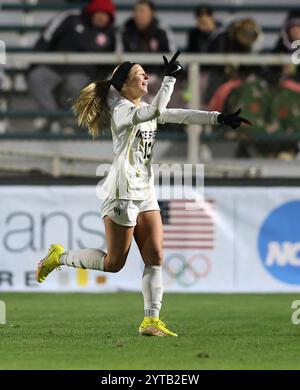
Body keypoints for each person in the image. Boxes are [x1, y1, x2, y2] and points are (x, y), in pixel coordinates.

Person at [35, 51, 251, 337]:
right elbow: (156, 111)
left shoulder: (146, 106)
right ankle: (58, 257)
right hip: (122, 191)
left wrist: (218, 118)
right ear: (124, 85)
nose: (146, 77)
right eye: (139, 74)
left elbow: (178, 115)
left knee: (156, 255)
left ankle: (151, 321)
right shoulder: (122, 111)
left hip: (145, 190)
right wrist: (171, 79)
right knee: (114, 263)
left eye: (145, 73)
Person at [27, 0, 116, 132]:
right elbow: (46, 38)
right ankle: (53, 119)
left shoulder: (111, 35)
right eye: (99, 12)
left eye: (106, 14)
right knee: (37, 77)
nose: (101, 17)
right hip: (54, 67)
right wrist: (35, 62)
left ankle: (69, 125)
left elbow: (109, 64)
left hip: (82, 73)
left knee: (76, 85)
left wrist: (97, 79)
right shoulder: (70, 18)